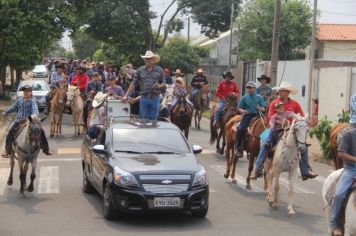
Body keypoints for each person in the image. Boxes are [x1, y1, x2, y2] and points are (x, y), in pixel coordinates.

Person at [268, 81, 318, 180]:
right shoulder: (274, 103)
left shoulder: (295, 104)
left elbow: (301, 116)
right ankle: (259, 166)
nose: (279, 93)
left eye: (281, 91)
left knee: (303, 146)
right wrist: (280, 122)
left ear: (287, 92)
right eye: (279, 91)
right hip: (277, 128)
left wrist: (305, 121)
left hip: (292, 130)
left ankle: (305, 171)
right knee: (266, 142)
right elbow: (270, 116)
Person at [329, 94, 356, 236]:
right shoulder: (349, 134)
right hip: (351, 169)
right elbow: (340, 154)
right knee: (339, 195)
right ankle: (334, 224)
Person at [1, 85, 53, 157]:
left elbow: (35, 111)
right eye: (25, 91)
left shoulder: (32, 102)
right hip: (18, 120)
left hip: (28, 121)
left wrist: (33, 116)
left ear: (31, 93)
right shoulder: (19, 100)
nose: (26, 92)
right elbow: (12, 108)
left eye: (28, 91)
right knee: (10, 131)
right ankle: (7, 150)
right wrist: (5, 112)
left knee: (41, 131)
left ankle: (46, 149)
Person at [251, 101, 297, 179]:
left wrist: (298, 117)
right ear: (276, 110)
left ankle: (302, 167)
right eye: (279, 108)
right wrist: (273, 126)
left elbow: (293, 115)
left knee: (297, 141)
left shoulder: (287, 113)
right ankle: (257, 169)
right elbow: (271, 123)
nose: (281, 109)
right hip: (275, 131)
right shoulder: (274, 116)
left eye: (282, 107)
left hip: (285, 130)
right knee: (265, 144)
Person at [122, 50, 165, 121]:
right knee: (143, 121)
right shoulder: (140, 70)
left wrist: (159, 86)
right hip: (144, 98)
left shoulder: (159, 70)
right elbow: (133, 84)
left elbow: (164, 83)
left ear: (153, 60)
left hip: (155, 98)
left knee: (153, 121)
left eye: (149, 58)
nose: (147, 60)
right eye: (146, 59)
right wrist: (126, 96)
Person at [235, 81, 266, 158]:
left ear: (254, 88)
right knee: (241, 129)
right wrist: (243, 111)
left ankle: (266, 148)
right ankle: (238, 148)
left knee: (267, 129)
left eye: (250, 88)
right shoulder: (244, 98)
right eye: (248, 88)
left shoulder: (260, 98)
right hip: (248, 115)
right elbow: (239, 108)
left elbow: (264, 108)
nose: (249, 89)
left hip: (258, 116)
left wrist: (260, 108)